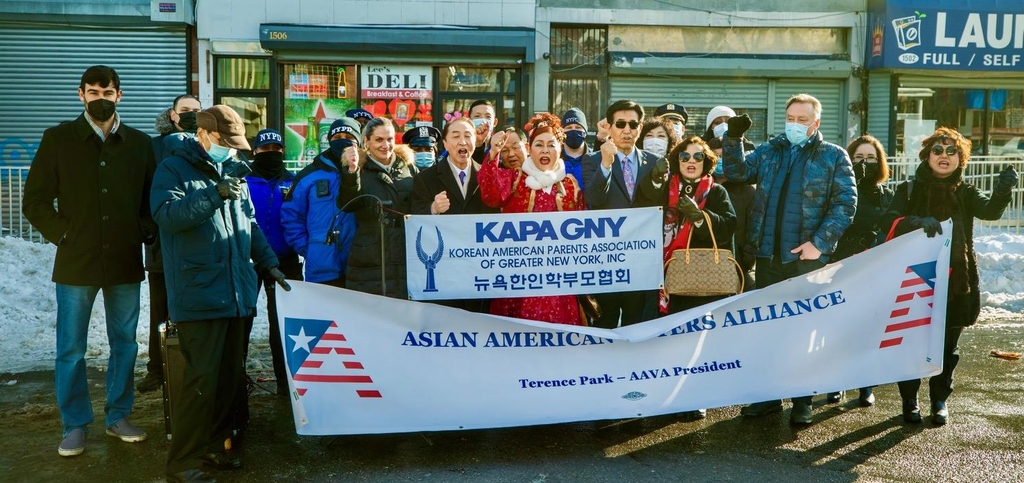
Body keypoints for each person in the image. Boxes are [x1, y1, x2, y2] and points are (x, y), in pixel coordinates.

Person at [23, 65, 156, 457]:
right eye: (93, 91)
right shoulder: (59, 139)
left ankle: (118, 416)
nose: (101, 98)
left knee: (125, 344)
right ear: (81, 94)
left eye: (108, 91)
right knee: (71, 348)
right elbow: (35, 200)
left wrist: (141, 230)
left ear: (120, 95)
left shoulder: (139, 144)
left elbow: (152, 199)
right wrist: (64, 234)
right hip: (76, 262)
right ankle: (75, 424)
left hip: (123, 260)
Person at [151, 105, 290, 482]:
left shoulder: (234, 171)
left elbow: (251, 225)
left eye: (234, 144)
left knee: (227, 381)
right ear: (203, 135)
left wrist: (268, 262)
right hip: (199, 294)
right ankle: (182, 462)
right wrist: (214, 194)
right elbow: (167, 215)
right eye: (224, 142)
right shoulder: (172, 169)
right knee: (200, 383)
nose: (230, 149)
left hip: (236, 293)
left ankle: (212, 448)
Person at [722, 94, 857, 425]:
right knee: (768, 329)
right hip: (768, 256)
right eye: (791, 118)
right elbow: (736, 171)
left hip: (806, 260)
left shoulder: (833, 157)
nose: (796, 124)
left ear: (816, 123)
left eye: (803, 119)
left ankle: (802, 400)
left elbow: (845, 204)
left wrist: (820, 242)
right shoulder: (770, 151)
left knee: (803, 331)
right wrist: (733, 138)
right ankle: (767, 398)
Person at [880, 127, 1016, 425]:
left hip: (957, 281)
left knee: (947, 346)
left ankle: (939, 399)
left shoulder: (966, 192)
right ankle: (909, 399)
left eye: (951, 151)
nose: (944, 156)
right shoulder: (908, 190)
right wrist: (916, 221)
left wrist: (1003, 190)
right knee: (913, 342)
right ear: (927, 156)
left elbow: (991, 212)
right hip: (914, 280)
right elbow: (888, 220)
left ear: (960, 158)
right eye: (937, 150)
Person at [479, 113, 586, 325]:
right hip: (518, 278)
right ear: (530, 148)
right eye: (539, 144)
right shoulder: (515, 179)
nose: (545, 150)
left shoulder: (571, 186)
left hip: (559, 280)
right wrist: (494, 153)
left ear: (560, 148)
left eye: (551, 144)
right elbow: (490, 196)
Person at [138, 93, 202, 394]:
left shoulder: (205, 145)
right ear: (173, 115)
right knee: (160, 308)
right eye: (185, 110)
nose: (190, 114)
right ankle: (156, 368)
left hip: (197, 244)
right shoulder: (153, 147)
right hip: (162, 245)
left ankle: (190, 365)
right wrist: (149, 230)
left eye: (196, 111)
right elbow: (142, 191)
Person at [826, 135, 896, 408]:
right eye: (858, 158)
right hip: (842, 265)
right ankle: (834, 382)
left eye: (870, 158)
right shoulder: (838, 192)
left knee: (870, 329)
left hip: (876, 269)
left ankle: (865, 384)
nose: (864, 163)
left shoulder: (889, 195)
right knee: (837, 328)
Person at [582, 100, 660, 328]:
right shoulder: (592, 160)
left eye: (633, 124)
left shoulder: (654, 162)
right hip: (607, 260)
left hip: (643, 261)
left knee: (637, 325)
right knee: (605, 325)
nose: (627, 130)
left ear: (640, 127)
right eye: (621, 124)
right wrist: (606, 164)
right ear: (609, 126)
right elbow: (593, 200)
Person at [411, 117, 498, 311]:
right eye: (456, 136)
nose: (463, 141)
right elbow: (413, 218)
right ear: (445, 143)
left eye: (468, 136)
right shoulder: (425, 179)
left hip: (479, 270)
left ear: (475, 141)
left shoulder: (487, 176)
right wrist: (432, 209)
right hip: (444, 270)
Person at [246, 129, 303, 397]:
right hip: (247, 260)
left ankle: (287, 384)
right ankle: (235, 381)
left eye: (276, 148)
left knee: (283, 324)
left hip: (285, 260)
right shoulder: (242, 180)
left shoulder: (294, 182)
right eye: (264, 148)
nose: (271, 152)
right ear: (254, 151)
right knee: (242, 321)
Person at [337, 117, 418, 298]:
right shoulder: (358, 168)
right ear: (367, 142)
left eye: (389, 139)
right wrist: (351, 172)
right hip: (370, 254)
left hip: (405, 249)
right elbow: (347, 204)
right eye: (379, 140)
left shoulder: (408, 167)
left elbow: (419, 203)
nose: (385, 145)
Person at [281, 118, 358, 288]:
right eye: (337, 137)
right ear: (329, 140)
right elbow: (291, 216)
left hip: (358, 266)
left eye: (348, 137)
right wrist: (308, 248)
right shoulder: (308, 175)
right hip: (321, 267)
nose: (342, 141)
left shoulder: (365, 173)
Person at [707, 136, 756, 290]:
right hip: (704, 266)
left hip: (738, 266)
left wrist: (745, 261)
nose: (721, 160)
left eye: (725, 156)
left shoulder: (747, 191)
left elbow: (754, 231)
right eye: (717, 156)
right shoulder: (702, 188)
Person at [561, 108, 590, 190]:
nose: (573, 131)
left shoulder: (594, 159)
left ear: (585, 132)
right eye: (569, 127)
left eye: (578, 127)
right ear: (562, 132)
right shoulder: (555, 159)